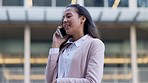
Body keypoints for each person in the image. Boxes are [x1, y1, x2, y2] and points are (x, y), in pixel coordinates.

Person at [45, 4, 105, 83]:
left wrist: (60, 81)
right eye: (63, 18)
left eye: (68, 16)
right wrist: (55, 45)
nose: (64, 20)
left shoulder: (95, 45)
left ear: (82, 19)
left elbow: (92, 81)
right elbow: (48, 80)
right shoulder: (64, 48)